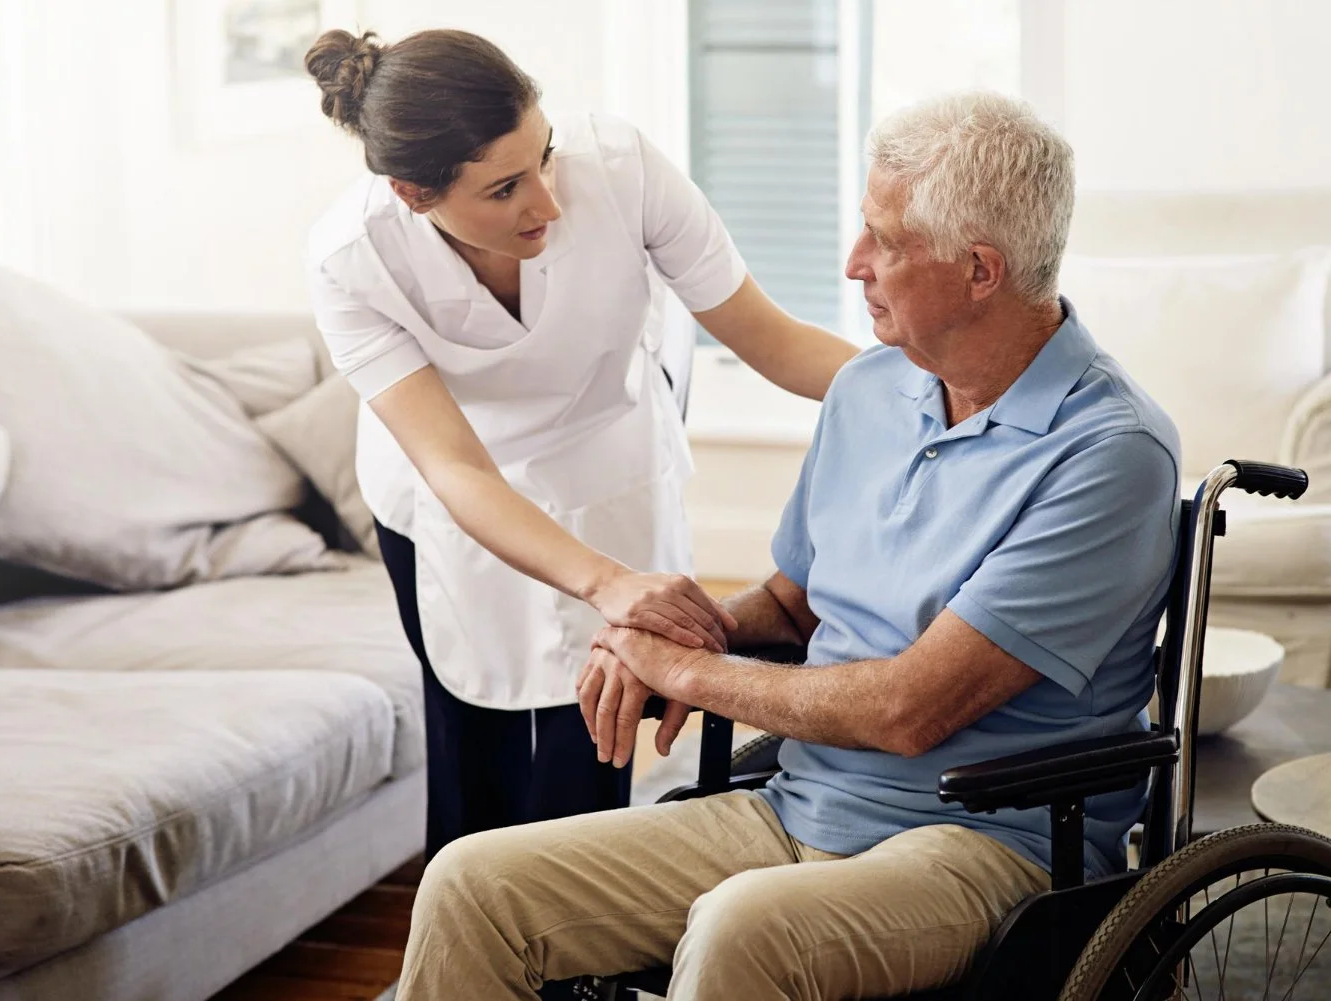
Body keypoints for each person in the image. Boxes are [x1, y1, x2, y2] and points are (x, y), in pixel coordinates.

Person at [396, 91, 1183, 1000]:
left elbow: (908, 710)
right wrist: (672, 632)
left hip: (983, 840)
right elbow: (788, 606)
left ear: (979, 270)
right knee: (473, 884)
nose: (854, 265)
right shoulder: (870, 392)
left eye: (884, 241)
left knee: (744, 926)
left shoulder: (1110, 452)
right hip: (797, 802)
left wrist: (688, 675)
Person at [303, 27, 860, 859]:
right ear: (416, 195)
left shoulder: (624, 169)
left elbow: (771, 339)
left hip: (606, 463)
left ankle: (582, 967)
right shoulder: (353, 261)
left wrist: (944, 389)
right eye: (505, 189)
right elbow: (455, 464)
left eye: (546, 156)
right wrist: (605, 581)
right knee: (473, 752)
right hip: (453, 491)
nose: (549, 202)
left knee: (596, 738)